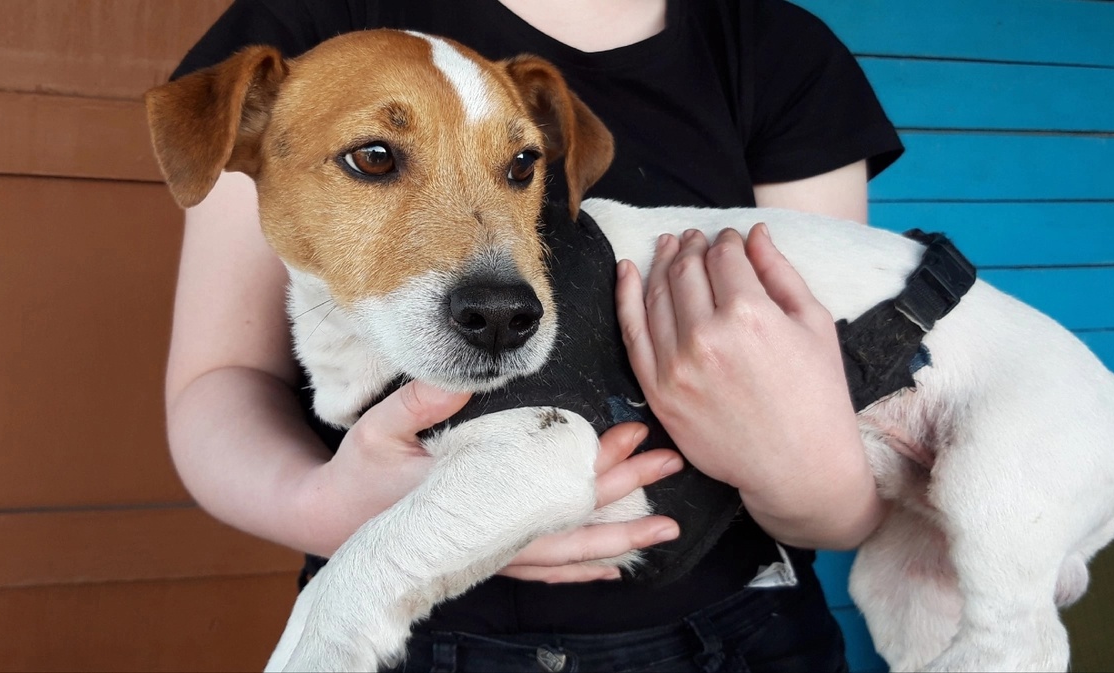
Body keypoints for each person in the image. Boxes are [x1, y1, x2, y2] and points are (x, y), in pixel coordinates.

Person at [165, 0, 903, 670]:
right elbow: (221, 376)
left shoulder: (776, 52)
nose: (499, 298)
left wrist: (822, 489)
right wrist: (322, 506)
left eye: (522, 164)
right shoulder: (314, 22)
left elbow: (841, 392)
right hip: (423, 633)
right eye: (376, 159)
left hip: (747, 626)